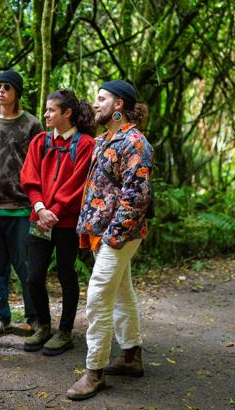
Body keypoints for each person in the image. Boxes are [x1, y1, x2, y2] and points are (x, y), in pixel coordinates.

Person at [67, 80, 154, 400]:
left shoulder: (135, 143)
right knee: (120, 292)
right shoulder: (106, 140)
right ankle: (131, 356)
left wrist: (112, 237)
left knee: (98, 296)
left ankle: (94, 372)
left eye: (102, 98)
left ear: (119, 105)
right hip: (103, 233)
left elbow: (137, 196)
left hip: (119, 234)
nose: (96, 103)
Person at [20, 88, 95, 356]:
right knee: (33, 277)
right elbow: (29, 178)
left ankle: (65, 331)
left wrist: (55, 211)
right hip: (39, 220)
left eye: (52, 110)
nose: (46, 114)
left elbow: (79, 185)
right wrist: (41, 209)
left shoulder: (86, 144)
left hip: (65, 224)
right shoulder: (40, 141)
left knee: (66, 274)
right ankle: (43, 326)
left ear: (67, 113)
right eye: (46, 109)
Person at [0, 70, 43, 337]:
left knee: (27, 265)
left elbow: (41, 165)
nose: (1, 91)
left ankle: (36, 316)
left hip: (22, 207)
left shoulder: (31, 124)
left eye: (7, 87)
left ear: (17, 92)